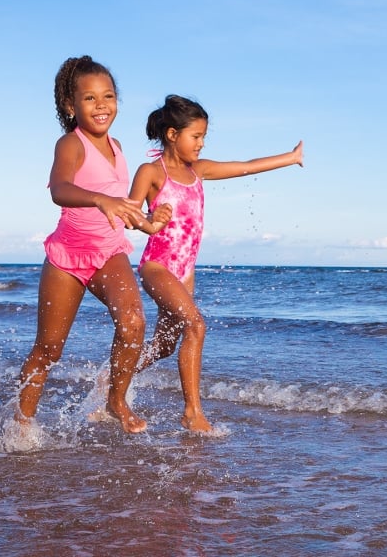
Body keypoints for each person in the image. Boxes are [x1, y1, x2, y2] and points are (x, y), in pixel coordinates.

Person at [129, 94, 303, 433]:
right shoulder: (151, 172)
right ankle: (192, 413)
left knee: (164, 347)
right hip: (157, 266)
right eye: (196, 136)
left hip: (185, 273)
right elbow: (129, 213)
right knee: (197, 326)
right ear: (172, 134)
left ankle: (113, 378)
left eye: (204, 137)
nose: (201, 143)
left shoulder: (200, 171)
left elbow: (245, 165)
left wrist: (290, 157)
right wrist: (150, 217)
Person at [16, 56, 171, 435]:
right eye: (90, 98)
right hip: (67, 256)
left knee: (133, 322)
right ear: (71, 106)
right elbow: (60, 189)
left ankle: (115, 401)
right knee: (49, 349)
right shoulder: (71, 143)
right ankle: (22, 424)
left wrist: (149, 224)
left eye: (109, 96)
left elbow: (122, 205)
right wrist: (99, 200)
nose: (101, 105)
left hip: (108, 252)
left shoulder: (118, 146)